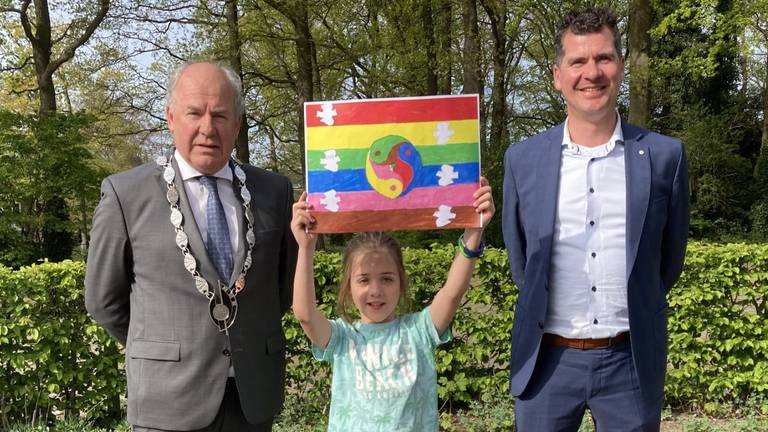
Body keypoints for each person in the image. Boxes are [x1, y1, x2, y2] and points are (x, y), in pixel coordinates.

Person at [502, 7, 690, 432]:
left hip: (631, 363)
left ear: (620, 66)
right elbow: (522, 263)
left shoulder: (665, 157)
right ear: (557, 75)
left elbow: (668, 262)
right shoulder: (522, 160)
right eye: (578, 61)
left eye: (604, 58)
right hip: (546, 364)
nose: (593, 72)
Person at [85, 61, 297, 432]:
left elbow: (282, 289)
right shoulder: (126, 194)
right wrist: (165, 349)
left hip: (250, 401)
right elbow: (104, 302)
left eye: (220, 115)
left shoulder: (273, 192)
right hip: (168, 402)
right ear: (171, 118)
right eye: (194, 113)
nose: (207, 128)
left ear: (237, 123)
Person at [290, 178, 494, 431]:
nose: (376, 291)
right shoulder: (342, 337)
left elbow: (452, 293)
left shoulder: (419, 331)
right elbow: (305, 315)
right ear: (348, 286)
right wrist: (305, 247)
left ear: (401, 282)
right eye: (363, 280)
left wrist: (474, 233)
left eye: (387, 278)